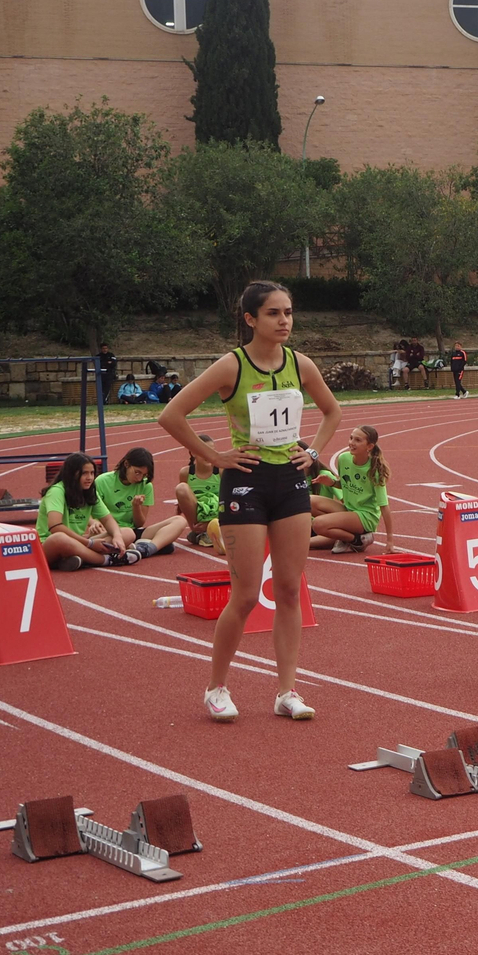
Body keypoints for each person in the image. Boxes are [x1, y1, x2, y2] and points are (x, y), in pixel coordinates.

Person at [158, 279, 342, 724]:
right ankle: (216, 687)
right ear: (250, 319)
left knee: (289, 591)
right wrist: (215, 456)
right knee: (243, 595)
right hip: (246, 483)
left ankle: (286, 691)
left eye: (289, 312)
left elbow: (333, 411)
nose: (284, 321)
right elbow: (171, 415)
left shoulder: (301, 364)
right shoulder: (232, 367)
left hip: (291, 483)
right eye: (274, 313)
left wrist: (313, 453)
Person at [36, 453, 138, 570]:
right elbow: (55, 527)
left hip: (79, 543)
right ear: (71, 474)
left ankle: (76, 559)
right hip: (48, 546)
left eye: (92, 473)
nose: (89, 477)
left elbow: (107, 519)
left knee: (128, 533)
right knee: (59, 538)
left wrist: (117, 537)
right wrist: (89, 544)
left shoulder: (90, 491)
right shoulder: (57, 491)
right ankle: (105, 560)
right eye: (84, 473)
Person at [309, 425, 394, 554]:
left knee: (318, 524)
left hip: (365, 516)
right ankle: (344, 534)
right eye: (351, 438)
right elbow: (346, 484)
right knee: (308, 501)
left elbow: (384, 506)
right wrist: (332, 482)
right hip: (349, 509)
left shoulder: (374, 470)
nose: (351, 443)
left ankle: (357, 540)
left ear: (369, 446)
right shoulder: (344, 459)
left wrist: (390, 541)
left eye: (358, 440)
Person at [93, 446, 189, 557]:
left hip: (134, 531)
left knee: (180, 520)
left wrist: (136, 506)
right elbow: (90, 511)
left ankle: (147, 549)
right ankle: (149, 546)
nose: (139, 479)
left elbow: (139, 523)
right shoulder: (102, 481)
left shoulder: (146, 485)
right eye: (137, 472)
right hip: (110, 532)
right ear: (126, 464)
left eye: (144, 475)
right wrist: (95, 523)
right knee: (128, 534)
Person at [175, 434, 226, 553]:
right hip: (198, 515)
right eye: (205, 450)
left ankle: (209, 532)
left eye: (212, 451)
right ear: (193, 453)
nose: (209, 455)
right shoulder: (186, 473)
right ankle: (199, 532)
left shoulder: (221, 471)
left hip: (218, 514)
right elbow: (184, 500)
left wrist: (212, 521)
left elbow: (229, 500)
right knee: (181, 488)